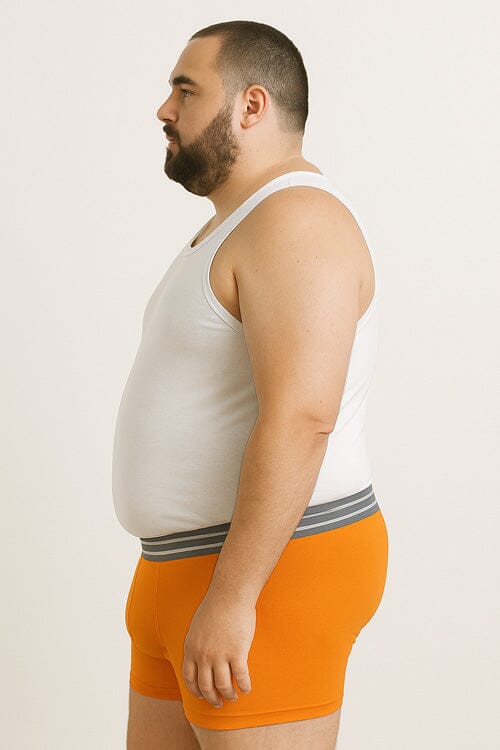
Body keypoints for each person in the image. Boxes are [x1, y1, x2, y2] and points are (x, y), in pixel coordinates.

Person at [112, 19, 389, 750]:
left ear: (251, 105)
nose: (165, 109)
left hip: (268, 572)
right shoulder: (239, 224)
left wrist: (235, 597)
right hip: (182, 570)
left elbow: (302, 417)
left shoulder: (297, 219)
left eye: (186, 89)